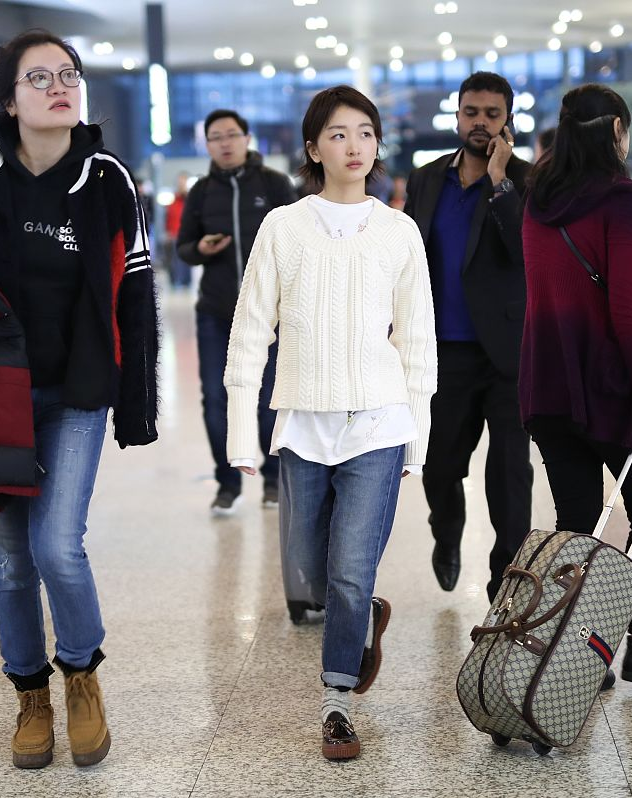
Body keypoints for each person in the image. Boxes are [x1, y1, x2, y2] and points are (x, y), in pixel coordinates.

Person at [0, 28, 159, 769]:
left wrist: (136, 405)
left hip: (77, 389)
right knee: (14, 561)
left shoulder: (108, 178)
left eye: (70, 74)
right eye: (40, 76)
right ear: (9, 97)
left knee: (58, 544)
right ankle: (30, 696)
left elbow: (136, 294)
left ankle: (81, 675)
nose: (61, 86)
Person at [224, 85, 436, 760]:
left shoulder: (399, 231)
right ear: (314, 147)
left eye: (366, 133)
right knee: (310, 572)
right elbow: (250, 332)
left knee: (348, 571)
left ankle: (337, 704)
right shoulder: (284, 228)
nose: (354, 146)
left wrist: (417, 438)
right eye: (339, 134)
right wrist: (240, 434)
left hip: (378, 422)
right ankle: (363, 615)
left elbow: (418, 342)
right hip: (304, 424)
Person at [520, 83, 632, 684]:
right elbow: (629, 306)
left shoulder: (539, 197)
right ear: (618, 130)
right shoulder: (626, 200)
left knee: (576, 520)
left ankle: (576, 657)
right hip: (612, 388)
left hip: (546, 382)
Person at [403, 71, 533, 599]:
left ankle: (505, 584)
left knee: (509, 477)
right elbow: (408, 254)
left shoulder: (525, 180)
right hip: (443, 350)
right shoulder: (427, 178)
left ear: (508, 121)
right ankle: (447, 531)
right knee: (440, 465)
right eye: (472, 112)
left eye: (492, 114)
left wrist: (501, 181)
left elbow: (526, 250)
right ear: (458, 116)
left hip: (507, 354)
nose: (481, 122)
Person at [177, 109, 297, 515]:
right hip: (215, 311)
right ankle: (226, 483)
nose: (225, 143)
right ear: (207, 145)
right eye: (216, 137)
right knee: (215, 399)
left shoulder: (275, 184)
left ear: (247, 139)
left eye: (232, 135)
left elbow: (298, 242)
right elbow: (184, 248)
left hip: (271, 315)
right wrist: (202, 250)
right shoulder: (201, 191)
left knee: (269, 399)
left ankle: (272, 478)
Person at [162, 172, 191, 288]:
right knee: (174, 259)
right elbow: (169, 216)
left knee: (186, 259)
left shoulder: (190, 199)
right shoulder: (173, 199)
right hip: (174, 234)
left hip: (186, 234)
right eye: (179, 182)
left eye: (183, 182)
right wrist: (167, 232)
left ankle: (186, 281)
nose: (181, 184)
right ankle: (176, 280)